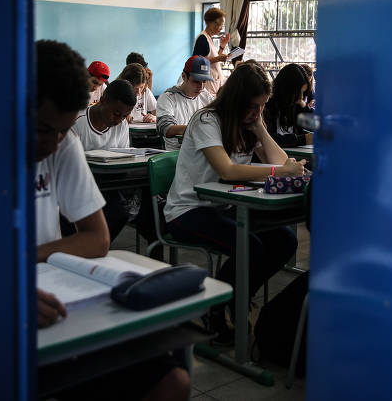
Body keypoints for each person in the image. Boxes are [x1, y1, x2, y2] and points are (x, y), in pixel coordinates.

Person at [34, 40, 190, 401]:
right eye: (44, 130)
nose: (54, 144)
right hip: (2, 301)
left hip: (55, 292)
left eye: (62, 132)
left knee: (173, 382)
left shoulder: (62, 141)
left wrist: (28, 255)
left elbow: (97, 240)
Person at [163, 61, 305, 342]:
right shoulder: (207, 120)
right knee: (249, 246)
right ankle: (217, 308)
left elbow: (280, 161)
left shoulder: (249, 123)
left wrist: (261, 129)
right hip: (188, 209)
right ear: (237, 100)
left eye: (262, 106)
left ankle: (238, 295)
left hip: (225, 207)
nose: (257, 112)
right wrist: (281, 170)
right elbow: (227, 170)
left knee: (285, 241)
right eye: (253, 106)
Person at [71, 79, 137, 242]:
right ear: (102, 100)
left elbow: (123, 156)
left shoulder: (121, 125)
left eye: (124, 116)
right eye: (116, 114)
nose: (119, 120)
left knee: (121, 213)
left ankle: (96, 246)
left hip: (108, 185)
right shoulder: (77, 121)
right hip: (78, 188)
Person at [155, 56, 215, 151]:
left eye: (204, 81)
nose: (201, 86)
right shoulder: (168, 98)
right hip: (176, 154)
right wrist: (194, 130)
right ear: (184, 76)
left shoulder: (206, 96)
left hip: (203, 150)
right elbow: (165, 127)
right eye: (196, 81)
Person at [263, 63, 314, 147]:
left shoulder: (295, 104)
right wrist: (303, 139)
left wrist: (304, 106)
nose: (301, 97)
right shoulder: (266, 106)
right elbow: (268, 139)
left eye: (303, 92)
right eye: (298, 92)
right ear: (286, 90)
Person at [192, 7, 230, 95]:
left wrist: (222, 47)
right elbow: (197, 63)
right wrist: (218, 59)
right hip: (207, 88)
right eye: (221, 25)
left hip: (214, 85)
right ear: (211, 23)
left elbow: (212, 58)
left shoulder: (209, 38)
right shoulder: (202, 39)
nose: (221, 28)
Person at [126, 52, 157, 122]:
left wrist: (154, 118)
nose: (139, 92)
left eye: (141, 87)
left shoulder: (145, 89)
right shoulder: (119, 89)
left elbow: (157, 113)